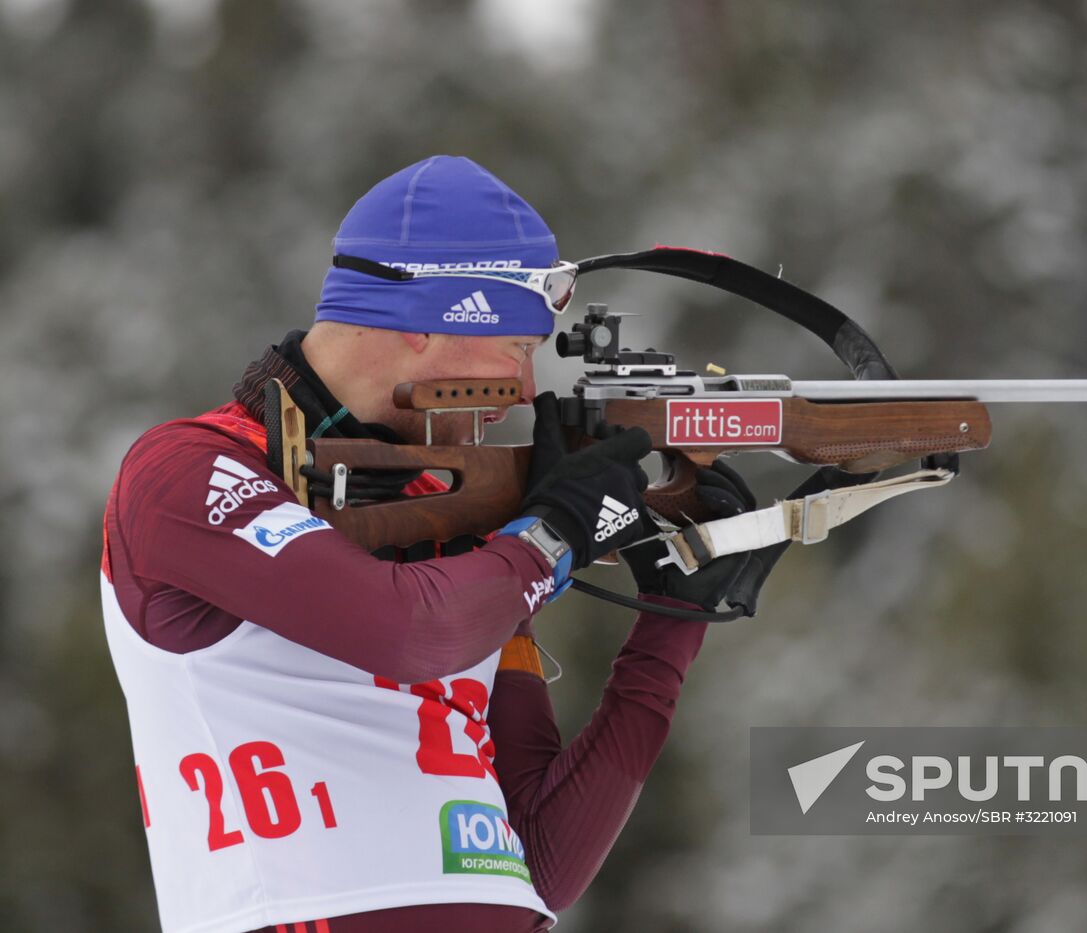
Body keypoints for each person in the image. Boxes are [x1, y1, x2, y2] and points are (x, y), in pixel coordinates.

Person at [99, 156, 781, 933]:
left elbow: (544, 860)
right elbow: (409, 630)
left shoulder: (462, 528)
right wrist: (553, 533)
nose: (527, 390)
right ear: (426, 323)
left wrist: (670, 624)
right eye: (518, 347)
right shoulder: (186, 470)